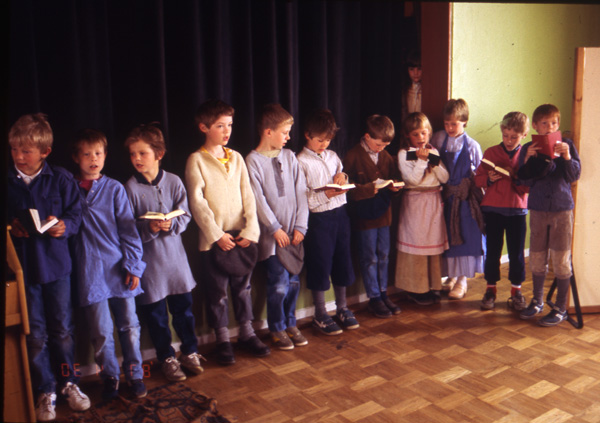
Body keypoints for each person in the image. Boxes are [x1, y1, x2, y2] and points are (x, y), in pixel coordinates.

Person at [7, 113, 90, 421]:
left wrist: (64, 226)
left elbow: (76, 216)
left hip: (57, 267)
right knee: (35, 334)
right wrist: (12, 227)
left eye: (26, 151)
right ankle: (45, 390)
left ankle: (70, 383)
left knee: (63, 330)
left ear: (45, 152)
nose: (18, 156)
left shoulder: (61, 178)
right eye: (14, 149)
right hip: (24, 270)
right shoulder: (7, 181)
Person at [185, 99, 270, 365]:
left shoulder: (237, 158)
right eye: (220, 126)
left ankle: (247, 333)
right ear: (204, 127)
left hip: (241, 237)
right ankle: (223, 340)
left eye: (229, 125)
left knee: (243, 289)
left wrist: (251, 230)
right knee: (218, 293)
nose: (226, 131)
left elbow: (249, 196)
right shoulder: (196, 160)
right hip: (216, 241)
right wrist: (216, 235)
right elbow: (197, 202)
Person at [71, 129, 148, 399]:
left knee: (130, 326)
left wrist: (133, 266)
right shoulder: (69, 190)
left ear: (105, 156)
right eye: (87, 154)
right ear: (76, 158)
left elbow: (129, 232)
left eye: (98, 153)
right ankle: (110, 378)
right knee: (101, 332)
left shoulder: (115, 188)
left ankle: (135, 375)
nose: (93, 159)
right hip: (89, 272)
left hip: (119, 268)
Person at [125, 123, 204, 381]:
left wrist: (173, 224)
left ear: (159, 154)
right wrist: (149, 227)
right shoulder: (130, 188)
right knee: (157, 317)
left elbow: (186, 214)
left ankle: (190, 351)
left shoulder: (174, 181)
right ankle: (167, 358)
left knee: (184, 311)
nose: (137, 159)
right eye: (133, 154)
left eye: (142, 153)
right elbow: (127, 228)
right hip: (150, 265)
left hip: (176, 261)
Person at [245, 103, 309, 350]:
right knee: (278, 284)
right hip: (273, 239)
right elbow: (257, 199)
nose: (288, 137)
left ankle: (291, 323)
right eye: (284, 132)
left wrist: (301, 226)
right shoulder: (252, 161)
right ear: (268, 131)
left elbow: (301, 192)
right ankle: (277, 327)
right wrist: (275, 228)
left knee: (293, 282)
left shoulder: (290, 157)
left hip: (294, 235)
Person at [517, 104, 581, 326]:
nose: (549, 127)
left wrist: (566, 156)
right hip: (538, 209)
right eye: (544, 123)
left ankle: (561, 308)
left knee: (561, 260)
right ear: (535, 126)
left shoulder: (567, 145)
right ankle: (537, 301)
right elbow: (523, 180)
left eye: (554, 123)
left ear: (558, 124)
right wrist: (528, 160)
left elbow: (574, 176)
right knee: (537, 257)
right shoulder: (528, 148)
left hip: (562, 210)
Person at [297, 109, 359, 335]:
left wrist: (343, 177)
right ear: (307, 135)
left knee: (343, 259)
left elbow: (341, 173)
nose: (324, 144)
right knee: (320, 263)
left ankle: (342, 307)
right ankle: (320, 313)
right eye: (320, 140)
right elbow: (303, 198)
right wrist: (326, 195)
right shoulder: (300, 161)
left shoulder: (332, 156)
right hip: (319, 220)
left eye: (328, 140)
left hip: (340, 215)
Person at [342, 114, 402, 318]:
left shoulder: (386, 157)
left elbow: (394, 178)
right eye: (378, 145)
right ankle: (374, 297)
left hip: (384, 214)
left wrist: (394, 187)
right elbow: (346, 189)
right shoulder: (352, 156)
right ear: (367, 137)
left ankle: (384, 293)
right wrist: (367, 189)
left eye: (385, 146)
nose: (381, 149)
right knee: (369, 257)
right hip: (364, 216)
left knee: (384, 254)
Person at [474, 112, 530, 311]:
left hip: (517, 210)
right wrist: (489, 179)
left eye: (514, 137)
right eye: (506, 136)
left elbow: (528, 186)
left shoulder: (527, 155)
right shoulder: (491, 152)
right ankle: (490, 290)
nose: (509, 140)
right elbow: (478, 179)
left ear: (524, 135)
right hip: (493, 209)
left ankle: (516, 291)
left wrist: (515, 177)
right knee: (492, 252)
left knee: (516, 254)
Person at [431, 98, 485, 300]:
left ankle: (462, 279)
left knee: (465, 237)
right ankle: (451, 275)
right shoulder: (438, 139)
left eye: (454, 124)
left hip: (465, 201)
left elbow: (479, 174)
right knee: (449, 239)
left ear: (465, 122)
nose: (450, 128)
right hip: (446, 197)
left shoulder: (472, 146)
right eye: (447, 124)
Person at [396, 112, 449, 305]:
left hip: (433, 202)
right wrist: (421, 161)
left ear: (429, 133)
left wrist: (433, 162)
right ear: (407, 135)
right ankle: (415, 289)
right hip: (415, 203)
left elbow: (445, 178)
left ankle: (433, 285)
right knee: (415, 243)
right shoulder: (404, 154)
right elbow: (413, 180)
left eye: (424, 133)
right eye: (415, 134)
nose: (420, 137)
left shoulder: (433, 151)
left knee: (431, 245)